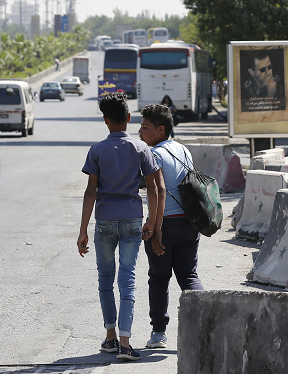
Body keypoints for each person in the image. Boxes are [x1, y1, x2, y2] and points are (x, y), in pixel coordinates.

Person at [77, 92, 165, 361]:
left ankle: (110, 338)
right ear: (128, 117)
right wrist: (151, 221)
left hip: (104, 222)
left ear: (105, 120)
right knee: (127, 279)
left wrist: (82, 230)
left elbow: (91, 191)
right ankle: (126, 344)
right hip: (131, 220)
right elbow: (153, 188)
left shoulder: (97, 150)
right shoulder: (141, 148)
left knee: (105, 280)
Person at [138, 103, 204, 349]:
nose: (140, 132)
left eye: (145, 127)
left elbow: (158, 192)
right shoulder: (183, 150)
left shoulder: (153, 155)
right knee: (189, 275)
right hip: (189, 224)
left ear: (160, 129)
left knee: (159, 278)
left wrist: (154, 229)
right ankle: (202, 325)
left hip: (166, 223)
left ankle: (158, 334)